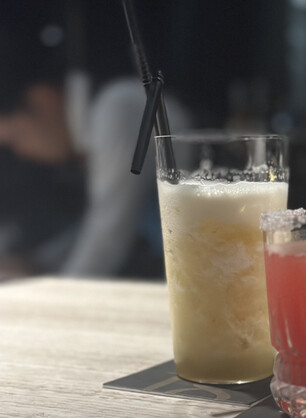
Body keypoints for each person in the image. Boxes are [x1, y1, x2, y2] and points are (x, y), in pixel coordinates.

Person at [0, 4, 191, 280]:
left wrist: (55, 291)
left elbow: (110, 232)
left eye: (17, 137)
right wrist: (37, 263)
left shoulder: (116, 108)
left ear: (42, 99)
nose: (21, 151)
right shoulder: (101, 112)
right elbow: (98, 227)